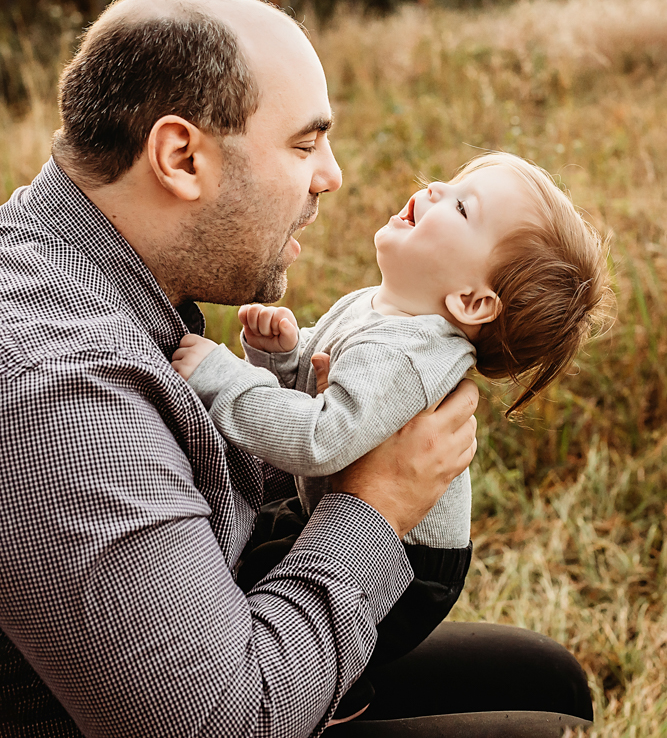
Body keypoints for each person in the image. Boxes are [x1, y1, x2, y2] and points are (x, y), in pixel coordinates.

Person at [0, 0, 592, 738]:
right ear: (181, 157)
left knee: (544, 678)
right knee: (543, 732)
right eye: (305, 144)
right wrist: (377, 506)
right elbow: (222, 723)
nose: (330, 176)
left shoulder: (86, 266)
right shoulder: (55, 392)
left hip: (213, 622)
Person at [172, 150, 608, 721]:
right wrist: (284, 359)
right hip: (338, 511)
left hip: (406, 567)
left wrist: (220, 376)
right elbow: (326, 392)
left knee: (250, 579)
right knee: (250, 556)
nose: (430, 190)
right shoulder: (380, 308)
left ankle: (328, 691)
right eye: (443, 181)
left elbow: (320, 438)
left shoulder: (408, 357)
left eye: (459, 206)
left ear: (472, 301)